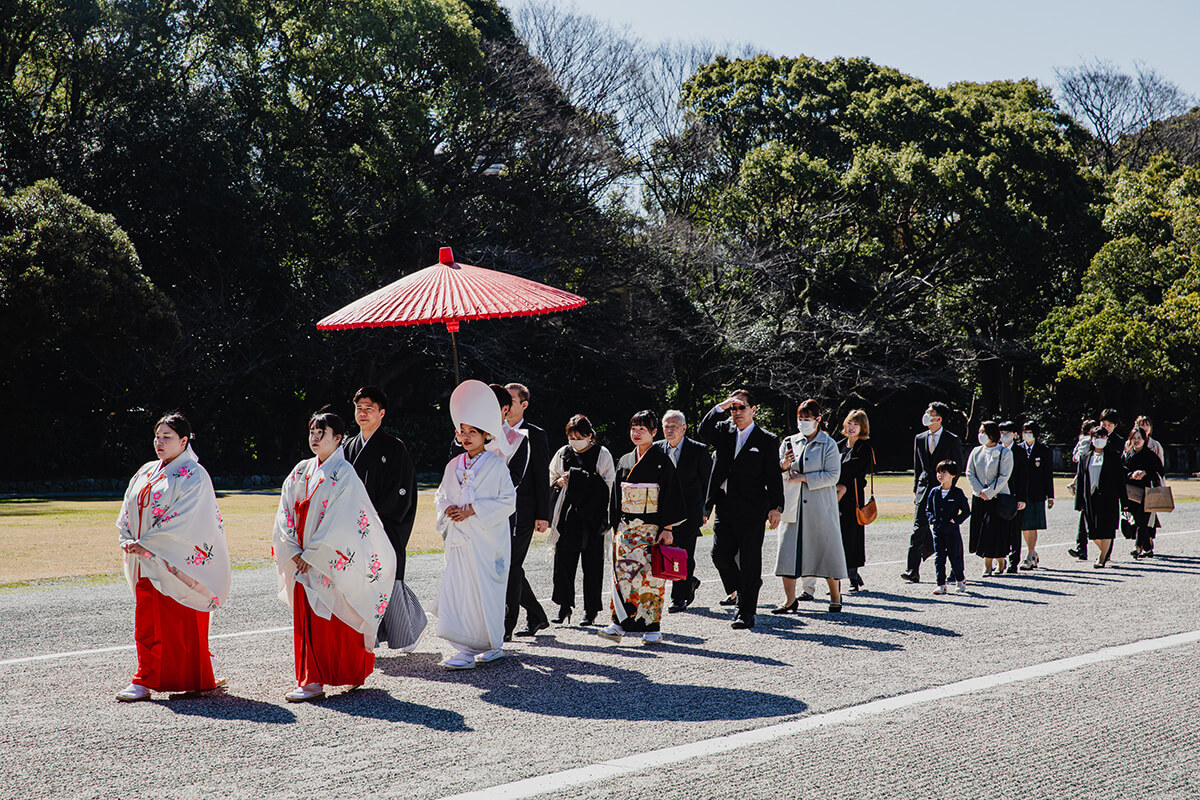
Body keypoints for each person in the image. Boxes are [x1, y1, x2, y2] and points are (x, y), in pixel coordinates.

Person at [272, 408, 397, 701]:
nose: (315, 438)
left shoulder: (344, 473)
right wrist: (291, 548)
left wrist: (313, 553)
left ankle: (348, 671)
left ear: (338, 438)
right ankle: (311, 680)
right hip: (301, 554)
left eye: (322, 433)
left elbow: (343, 519)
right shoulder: (301, 469)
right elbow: (284, 511)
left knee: (335, 615)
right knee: (307, 617)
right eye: (312, 433)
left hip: (325, 557)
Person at [115, 413, 231, 702]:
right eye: (157, 436)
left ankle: (193, 675)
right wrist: (128, 536)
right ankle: (144, 678)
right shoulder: (146, 471)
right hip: (146, 558)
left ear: (184, 440)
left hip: (177, 561)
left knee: (181, 622)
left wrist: (149, 543)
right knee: (147, 621)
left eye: (167, 437)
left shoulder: (194, 474)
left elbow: (189, 518)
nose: (160, 442)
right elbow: (128, 507)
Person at [431, 380, 518, 669]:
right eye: (463, 431)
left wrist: (473, 510)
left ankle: (491, 643)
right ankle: (464, 647)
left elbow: (508, 501)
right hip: (459, 539)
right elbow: (441, 494)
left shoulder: (496, 465)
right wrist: (449, 509)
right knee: (459, 589)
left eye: (473, 432)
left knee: (486, 591)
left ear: (485, 434)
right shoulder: (453, 465)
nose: (466, 437)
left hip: (485, 540)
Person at [343, 386, 424, 651]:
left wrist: (376, 515)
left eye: (369, 408)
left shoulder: (394, 447)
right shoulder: (347, 447)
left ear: (382, 413)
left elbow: (403, 490)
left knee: (387, 577)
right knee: (358, 579)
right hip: (354, 527)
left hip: (384, 525)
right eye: (359, 408)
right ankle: (367, 638)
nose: (363, 413)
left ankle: (407, 632)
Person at [598, 410, 686, 644]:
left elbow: (671, 496)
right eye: (633, 429)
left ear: (654, 433)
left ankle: (652, 626)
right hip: (626, 528)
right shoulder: (625, 459)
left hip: (651, 529)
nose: (636, 433)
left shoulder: (662, 461)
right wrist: (616, 526)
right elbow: (616, 496)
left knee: (650, 578)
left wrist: (667, 529)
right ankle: (618, 623)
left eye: (642, 429)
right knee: (622, 576)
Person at [698, 389, 784, 629]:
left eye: (741, 407)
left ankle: (746, 611)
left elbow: (773, 477)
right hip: (724, 505)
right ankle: (748, 587)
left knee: (749, 561)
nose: (736, 412)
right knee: (719, 555)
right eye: (733, 408)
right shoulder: (724, 430)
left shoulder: (767, 439)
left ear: (753, 410)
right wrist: (720, 407)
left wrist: (776, 507)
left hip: (752, 509)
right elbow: (702, 432)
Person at [772, 399, 846, 613]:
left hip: (820, 507)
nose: (803, 423)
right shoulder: (789, 441)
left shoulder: (828, 443)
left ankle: (835, 595)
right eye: (800, 419)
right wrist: (784, 465)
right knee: (787, 552)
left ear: (818, 420)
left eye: (808, 419)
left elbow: (833, 476)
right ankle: (789, 600)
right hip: (793, 506)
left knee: (826, 551)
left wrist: (804, 477)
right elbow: (780, 471)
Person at [548, 414, 615, 626]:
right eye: (571, 436)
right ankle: (564, 606)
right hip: (568, 514)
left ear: (589, 435)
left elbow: (609, 485)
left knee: (593, 564)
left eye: (579, 436)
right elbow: (551, 478)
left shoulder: (601, 454)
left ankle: (591, 610)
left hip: (593, 516)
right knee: (563, 563)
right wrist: (560, 481)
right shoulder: (563, 453)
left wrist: (578, 477)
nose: (575, 440)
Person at [503, 382, 552, 639]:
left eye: (512, 400)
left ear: (524, 405)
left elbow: (541, 476)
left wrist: (543, 514)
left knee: (511, 565)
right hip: (496, 511)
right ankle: (537, 615)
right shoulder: (491, 431)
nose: (507, 405)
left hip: (524, 509)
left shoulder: (536, 433)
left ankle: (506, 626)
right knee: (508, 566)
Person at [655, 410, 713, 612]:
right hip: (662, 512)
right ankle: (689, 582)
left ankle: (678, 597)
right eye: (666, 426)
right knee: (665, 552)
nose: (669, 430)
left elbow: (708, 482)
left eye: (674, 426)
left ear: (684, 428)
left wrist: (706, 509)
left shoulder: (698, 450)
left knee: (683, 554)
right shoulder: (656, 449)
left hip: (690, 511)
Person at [902, 402, 963, 583]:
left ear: (939, 418)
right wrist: (916, 490)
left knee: (949, 530)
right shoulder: (920, 438)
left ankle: (955, 570)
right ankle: (912, 570)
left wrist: (949, 489)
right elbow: (917, 466)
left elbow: (957, 466)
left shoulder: (952, 439)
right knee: (918, 529)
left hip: (944, 491)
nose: (927, 414)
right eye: (927, 411)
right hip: (923, 490)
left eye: (931, 412)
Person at [966, 420, 1014, 576]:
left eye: (984, 432)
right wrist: (980, 491)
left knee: (994, 530)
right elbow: (969, 473)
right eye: (980, 432)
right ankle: (995, 560)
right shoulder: (976, 451)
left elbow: (1004, 476)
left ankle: (992, 563)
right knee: (982, 529)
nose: (981, 435)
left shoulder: (1004, 452)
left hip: (998, 497)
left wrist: (989, 492)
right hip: (979, 497)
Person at [1074, 424, 1125, 568]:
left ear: (1107, 439)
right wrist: (1078, 502)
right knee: (1093, 531)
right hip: (1090, 497)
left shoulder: (1114, 456)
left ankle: (1102, 557)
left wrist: (1124, 501)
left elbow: (1120, 480)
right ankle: (1103, 551)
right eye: (1096, 437)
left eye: (1102, 437)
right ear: (1091, 439)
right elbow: (1081, 480)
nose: (1099, 440)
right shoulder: (1085, 457)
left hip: (1109, 497)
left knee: (1107, 528)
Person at [836, 409, 874, 591]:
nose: (851, 428)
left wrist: (834, 473)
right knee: (836, 538)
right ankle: (837, 579)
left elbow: (850, 469)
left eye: (856, 424)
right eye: (849, 423)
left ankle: (852, 577)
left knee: (852, 538)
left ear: (862, 427)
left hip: (853, 499)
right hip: (835, 497)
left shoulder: (864, 447)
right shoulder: (839, 444)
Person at [925, 459, 971, 595]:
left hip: (952, 531)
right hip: (938, 530)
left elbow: (966, 511)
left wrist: (955, 520)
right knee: (939, 558)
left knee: (954, 557)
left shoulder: (957, 493)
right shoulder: (934, 492)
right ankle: (941, 584)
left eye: (944, 472)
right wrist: (932, 519)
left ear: (953, 475)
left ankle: (960, 580)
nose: (940, 475)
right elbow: (928, 509)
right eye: (938, 472)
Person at [1017, 421, 1055, 570]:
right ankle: (1032, 551)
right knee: (1023, 526)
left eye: (1030, 431)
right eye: (1024, 431)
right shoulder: (1018, 449)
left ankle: (1029, 555)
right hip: (1020, 493)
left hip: (1037, 493)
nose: (1027, 434)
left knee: (1032, 525)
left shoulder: (1043, 450)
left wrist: (1050, 495)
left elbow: (1048, 473)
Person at [1123, 426, 1165, 559]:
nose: (1136, 441)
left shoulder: (1150, 455)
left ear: (1144, 439)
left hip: (1147, 492)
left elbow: (1160, 472)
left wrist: (1145, 472)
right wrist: (1130, 475)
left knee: (1142, 520)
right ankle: (1147, 547)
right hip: (1131, 493)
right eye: (1133, 438)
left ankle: (1137, 548)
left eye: (1139, 438)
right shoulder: (1127, 455)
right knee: (1136, 521)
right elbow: (1120, 472)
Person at [998, 421, 1028, 575]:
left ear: (1015, 434)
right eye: (1002, 432)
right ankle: (999, 560)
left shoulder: (1020, 452)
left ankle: (1013, 562)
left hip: (1014, 495)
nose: (1004, 435)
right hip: (998, 494)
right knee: (999, 529)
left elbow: (1024, 477)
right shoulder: (996, 449)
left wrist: (1022, 498)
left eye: (1007, 433)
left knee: (1014, 531)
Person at [1067, 418, 1098, 561]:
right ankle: (1081, 548)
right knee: (1083, 514)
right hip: (1085, 478)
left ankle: (1102, 549)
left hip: (1094, 482)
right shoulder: (1086, 440)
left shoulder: (1087, 439)